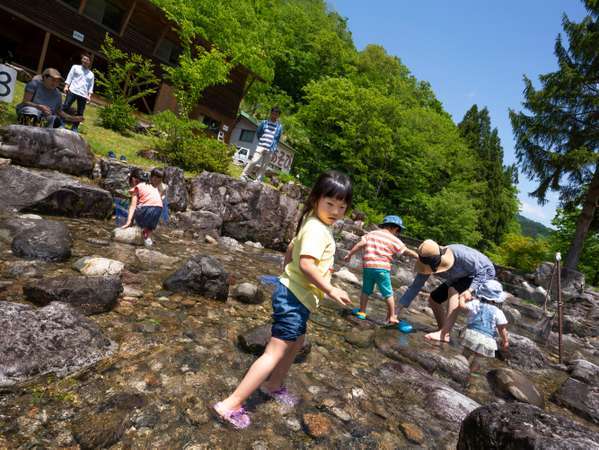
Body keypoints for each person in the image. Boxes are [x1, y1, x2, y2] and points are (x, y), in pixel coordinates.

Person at [213, 170, 354, 429]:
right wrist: (331, 289)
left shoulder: (314, 222)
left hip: (297, 296)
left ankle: (273, 385)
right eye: (330, 203)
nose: (335, 211)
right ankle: (230, 404)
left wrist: (286, 274)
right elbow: (307, 265)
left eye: (342, 206)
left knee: (297, 341)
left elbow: (291, 249)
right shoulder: (317, 229)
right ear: (316, 200)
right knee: (274, 352)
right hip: (294, 298)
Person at [397, 239, 495, 342]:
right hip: (460, 276)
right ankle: (442, 329)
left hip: (481, 273)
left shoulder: (462, 256)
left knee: (453, 291)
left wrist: (470, 290)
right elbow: (415, 286)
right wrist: (396, 311)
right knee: (434, 299)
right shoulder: (426, 259)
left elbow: (482, 272)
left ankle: (445, 334)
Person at [344, 215, 418, 325]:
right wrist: (417, 256)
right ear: (395, 228)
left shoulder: (371, 233)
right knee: (388, 293)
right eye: (398, 231)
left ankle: (362, 311)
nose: (397, 233)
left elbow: (361, 244)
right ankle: (392, 316)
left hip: (368, 267)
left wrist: (350, 254)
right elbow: (405, 251)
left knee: (366, 290)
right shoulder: (394, 239)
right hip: (382, 269)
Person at [458, 279, 509, 373]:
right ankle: (470, 374)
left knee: (465, 353)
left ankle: (460, 369)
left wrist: (462, 298)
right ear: (497, 299)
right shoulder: (498, 312)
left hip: (472, 335)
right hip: (487, 340)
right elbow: (502, 329)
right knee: (479, 359)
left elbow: (462, 307)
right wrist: (505, 341)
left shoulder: (475, 303)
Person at [16, 68, 83, 128]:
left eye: (57, 81)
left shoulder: (58, 94)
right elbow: (25, 102)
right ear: (45, 77)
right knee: (31, 111)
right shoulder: (34, 84)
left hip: (45, 118)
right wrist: (38, 107)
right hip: (30, 112)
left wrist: (72, 118)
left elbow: (59, 111)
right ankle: (25, 128)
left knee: (54, 119)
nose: (55, 83)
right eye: (53, 80)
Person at [120, 168, 163, 247]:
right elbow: (157, 199)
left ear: (133, 180)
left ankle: (136, 232)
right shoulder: (153, 187)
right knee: (148, 228)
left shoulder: (137, 187)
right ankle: (147, 239)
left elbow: (133, 206)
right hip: (159, 209)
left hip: (147, 208)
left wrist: (129, 221)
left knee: (137, 209)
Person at [240, 106, 283, 182]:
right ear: (271, 113)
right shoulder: (264, 123)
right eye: (273, 113)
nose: (275, 115)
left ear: (278, 116)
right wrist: (262, 141)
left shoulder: (279, 127)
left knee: (264, 166)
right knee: (254, 161)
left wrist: (274, 148)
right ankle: (244, 175)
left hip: (271, 149)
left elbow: (277, 139)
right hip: (261, 146)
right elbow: (258, 133)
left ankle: (258, 180)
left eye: (277, 114)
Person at [62, 53, 95, 132]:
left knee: (80, 112)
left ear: (89, 62)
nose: (84, 61)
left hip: (83, 94)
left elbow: (91, 85)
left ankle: (74, 128)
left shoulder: (91, 74)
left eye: (86, 59)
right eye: (83, 59)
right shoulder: (75, 67)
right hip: (72, 90)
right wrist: (66, 86)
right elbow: (70, 77)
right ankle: (61, 123)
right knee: (65, 107)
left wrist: (89, 95)